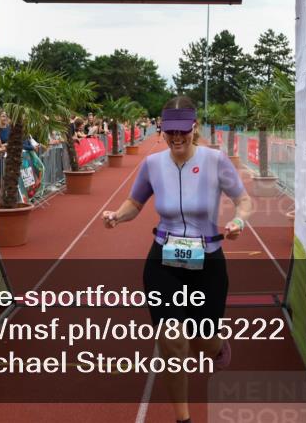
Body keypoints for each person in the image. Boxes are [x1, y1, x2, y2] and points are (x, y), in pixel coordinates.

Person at [102, 96, 253, 423]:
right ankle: (183, 418)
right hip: (163, 263)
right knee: (173, 343)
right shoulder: (153, 164)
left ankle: (217, 347)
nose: (176, 137)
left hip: (207, 263)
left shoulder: (216, 161)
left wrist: (238, 222)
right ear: (163, 129)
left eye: (182, 130)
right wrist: (117, 215)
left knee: (202, 342)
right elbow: (134, 203)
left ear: (194, 127)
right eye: (170, 131)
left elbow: (243, 200)